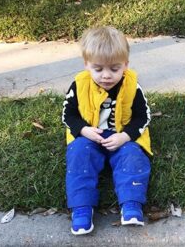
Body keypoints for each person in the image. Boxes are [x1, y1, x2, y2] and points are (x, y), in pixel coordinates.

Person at [62, 26, 152, 235]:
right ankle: (81, 209)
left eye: (114, 68)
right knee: (79, 156)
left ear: (125, 65)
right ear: (87, 65)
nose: (106, 76)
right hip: (89, 136)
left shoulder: (132, 86)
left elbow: (143, 116)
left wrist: (124, 136)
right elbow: (68, 115)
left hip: (122, 136)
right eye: (98, 69)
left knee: (132, 156)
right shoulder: (78, 85)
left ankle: (131, 204)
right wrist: (83, 130)